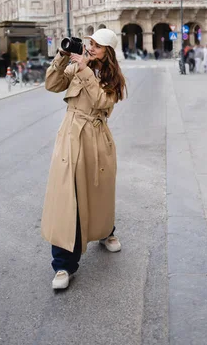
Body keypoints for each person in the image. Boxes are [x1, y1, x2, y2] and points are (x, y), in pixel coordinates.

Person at [42, 28, 127, 290]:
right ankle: (63, 264)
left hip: (96, 137)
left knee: (98, 190)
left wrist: (84, 69)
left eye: (96, 46)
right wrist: (62, 56)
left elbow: (102, 101)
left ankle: (105, 231)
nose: (90, 48)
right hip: (70, 136)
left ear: (108, 52)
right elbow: (52, 85)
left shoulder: (112, 78)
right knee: (69, 196)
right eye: (89, 43)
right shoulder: (78, 66)